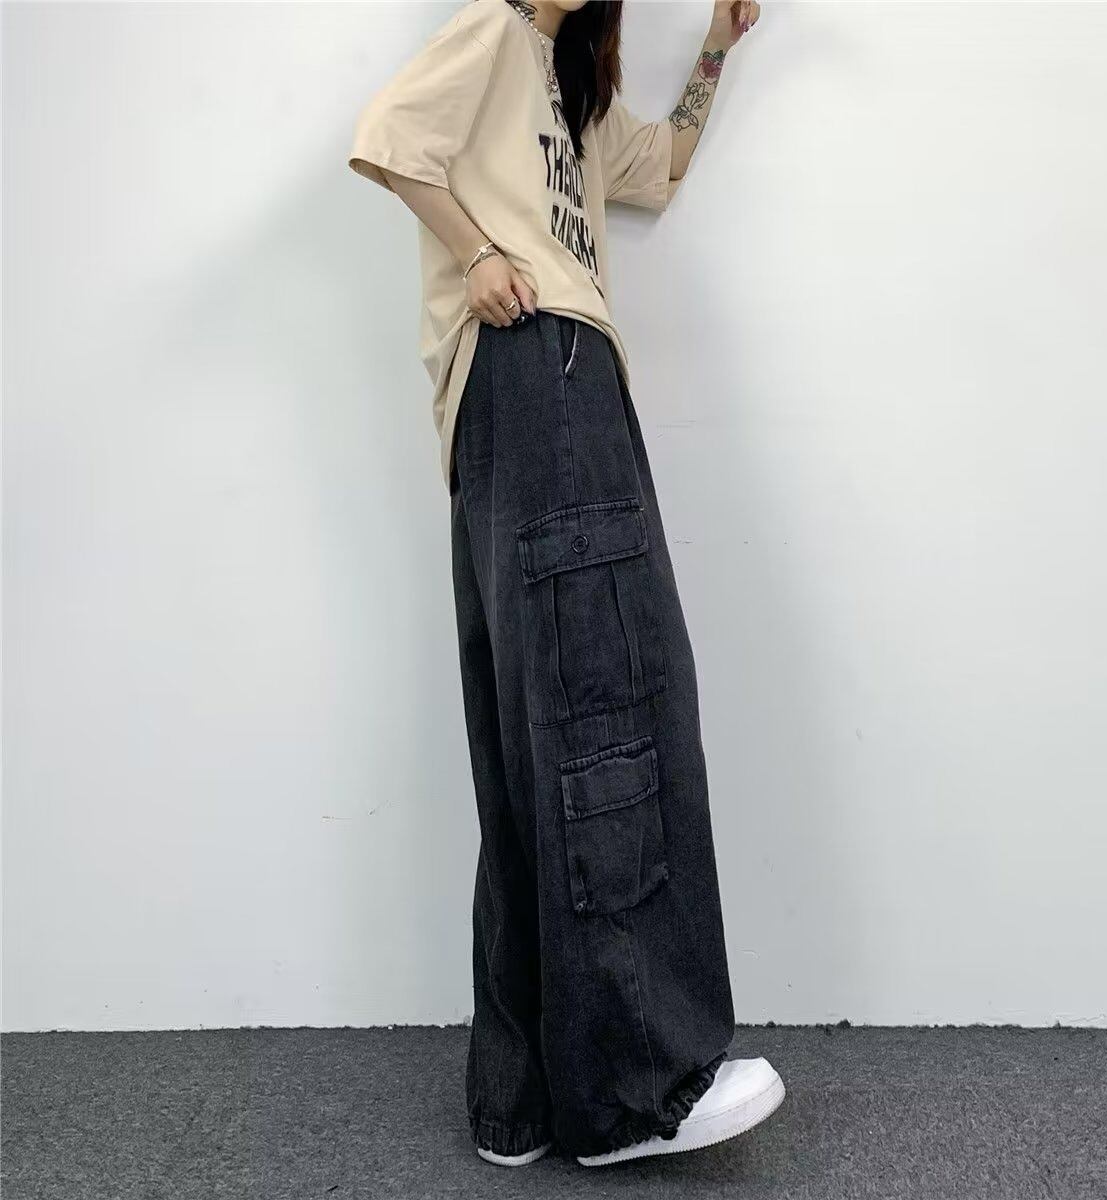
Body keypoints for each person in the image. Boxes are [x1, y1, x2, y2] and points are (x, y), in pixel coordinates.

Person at [347, 0, 783, 1168]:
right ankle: (635, 1093)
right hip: (546, 368)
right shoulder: (495, 31)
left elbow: (665, 167)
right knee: (612, 710)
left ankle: (520, 1097)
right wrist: (480, 253)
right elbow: (390, 136)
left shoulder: (572, 93)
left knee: (531, 743)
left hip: (515, 408)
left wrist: (716, 48)